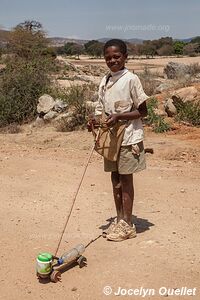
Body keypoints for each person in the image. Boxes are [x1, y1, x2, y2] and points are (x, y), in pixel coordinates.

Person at [89, 39, 149, 242]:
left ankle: (127, 224)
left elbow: (143, 111)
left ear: (125, 57)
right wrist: (94, 121)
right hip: (110, 137)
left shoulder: (131, 79)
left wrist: (120, 116)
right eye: (108, 58)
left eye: (116, 57)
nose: (112, 60)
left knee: (125, 179)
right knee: (114, 179)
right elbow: (100, 107)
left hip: (129, 137)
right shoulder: (105, 80)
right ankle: (119, 218)